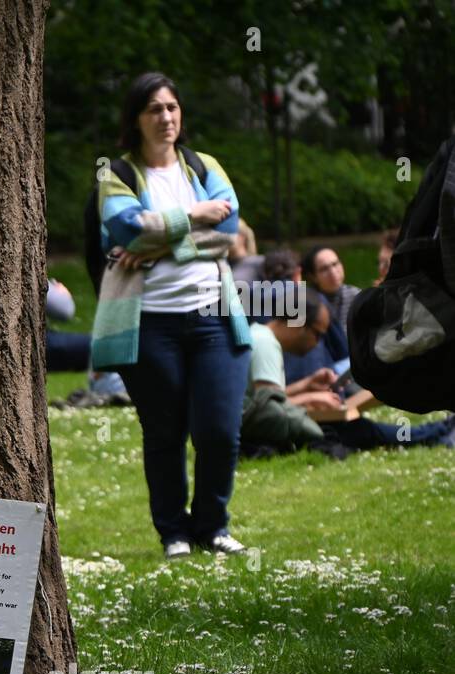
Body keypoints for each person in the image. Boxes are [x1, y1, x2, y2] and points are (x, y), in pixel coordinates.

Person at [90, 72, 251, 559]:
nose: (166, 118)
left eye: (172, 108)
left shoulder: (203, 167)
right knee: (164, 432)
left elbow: (229, 226)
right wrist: (193, 219)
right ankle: (174, 532)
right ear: (136, 119)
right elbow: (124, 228)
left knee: (219, 431)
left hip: (214, 319)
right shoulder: (113, 173)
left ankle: (212, 526)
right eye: (154, 109)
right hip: (149, 324)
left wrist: (159, 244)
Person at [248, 289, 455, 452]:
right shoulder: (267, 346)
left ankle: (436, 431)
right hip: (259, 435)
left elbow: (261, 400)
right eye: (318, 335)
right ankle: (435, 433)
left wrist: (307, 385)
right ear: (299, 325)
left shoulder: (260, 335)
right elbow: (266, 412)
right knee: (357, 430)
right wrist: (312, 397)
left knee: (357, 427)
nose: (317, 343)